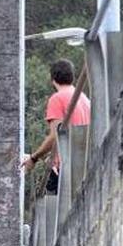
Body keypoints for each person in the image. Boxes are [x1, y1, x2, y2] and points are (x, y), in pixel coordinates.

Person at [20, 59, 91, 193]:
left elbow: (55, 136)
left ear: (53, 79)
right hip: (85, 162)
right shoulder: (83, 98)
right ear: (72, 77)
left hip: (67, 167)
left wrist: (33, 158)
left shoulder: (57, 99)